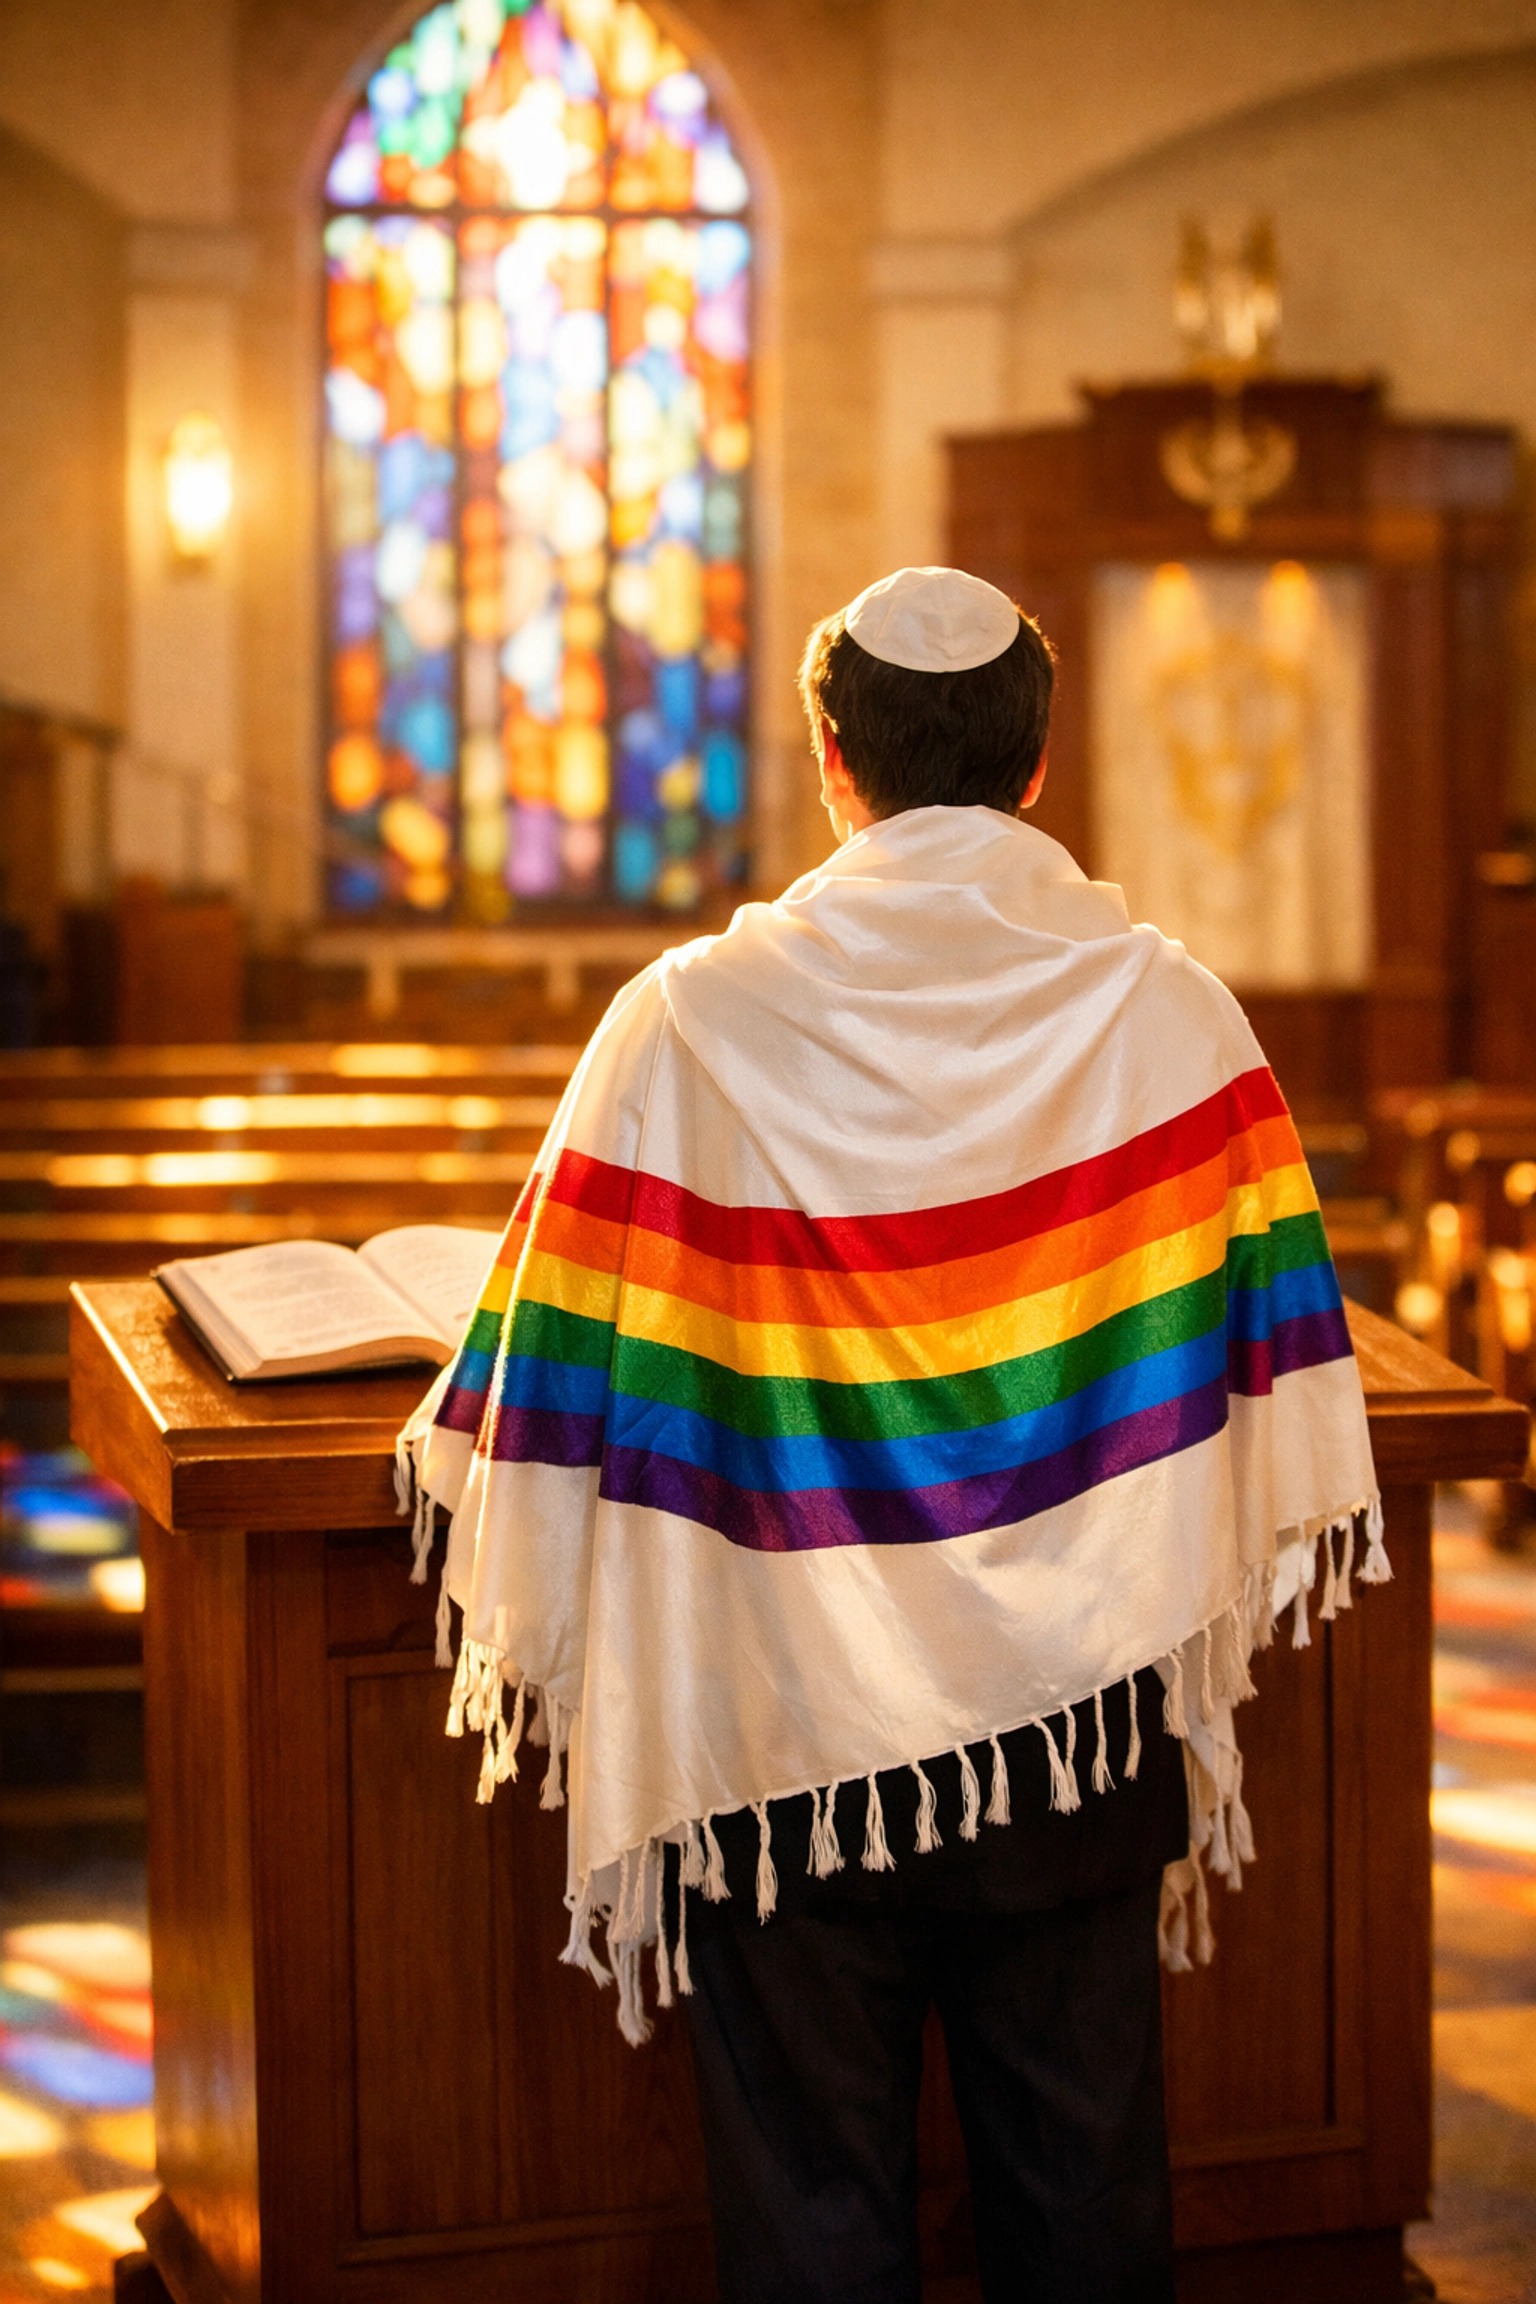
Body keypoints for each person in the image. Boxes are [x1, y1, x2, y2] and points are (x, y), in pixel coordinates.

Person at [399, 566, 1383, 2304]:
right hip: (1079, 1721)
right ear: (1040, 764)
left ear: (830, 757)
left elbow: (534, 1386)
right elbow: (1284, 1369)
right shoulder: (1172, 1020)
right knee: (1082, 2198)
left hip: (782, 1732)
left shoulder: (687, 1023)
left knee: (810, 2217)